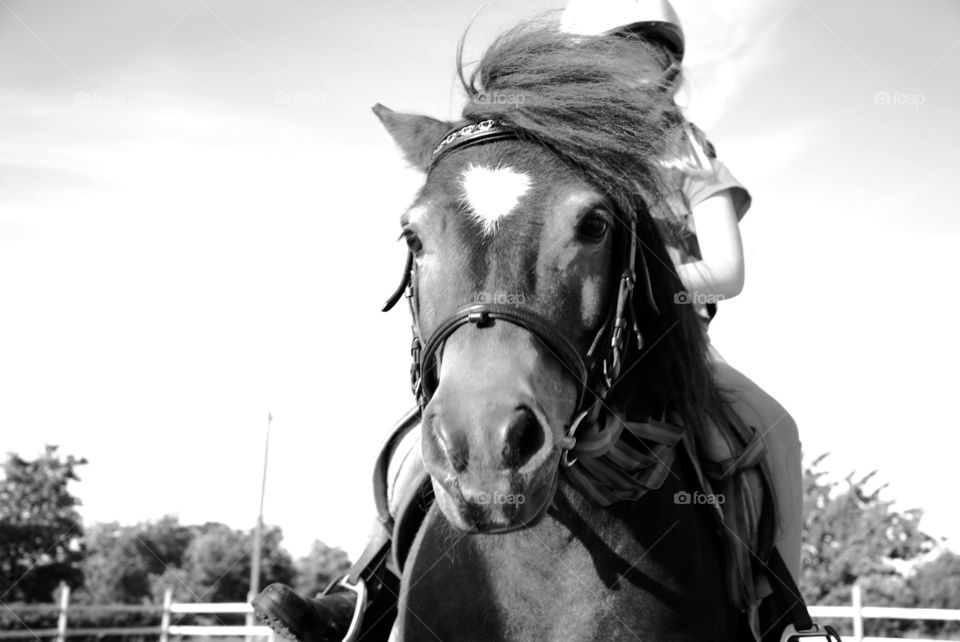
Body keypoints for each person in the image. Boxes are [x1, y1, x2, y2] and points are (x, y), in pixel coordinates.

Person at [562, 0, 803, 585]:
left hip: (672, 344)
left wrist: (636, 281)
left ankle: (784, 606)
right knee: (437, 419)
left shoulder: (689, 149)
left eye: (654, 53)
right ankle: (375, 586)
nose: (642, 68)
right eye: (620, 52)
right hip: (567, 336)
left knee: (775, 427)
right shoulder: (555, 144)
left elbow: (727, 270)